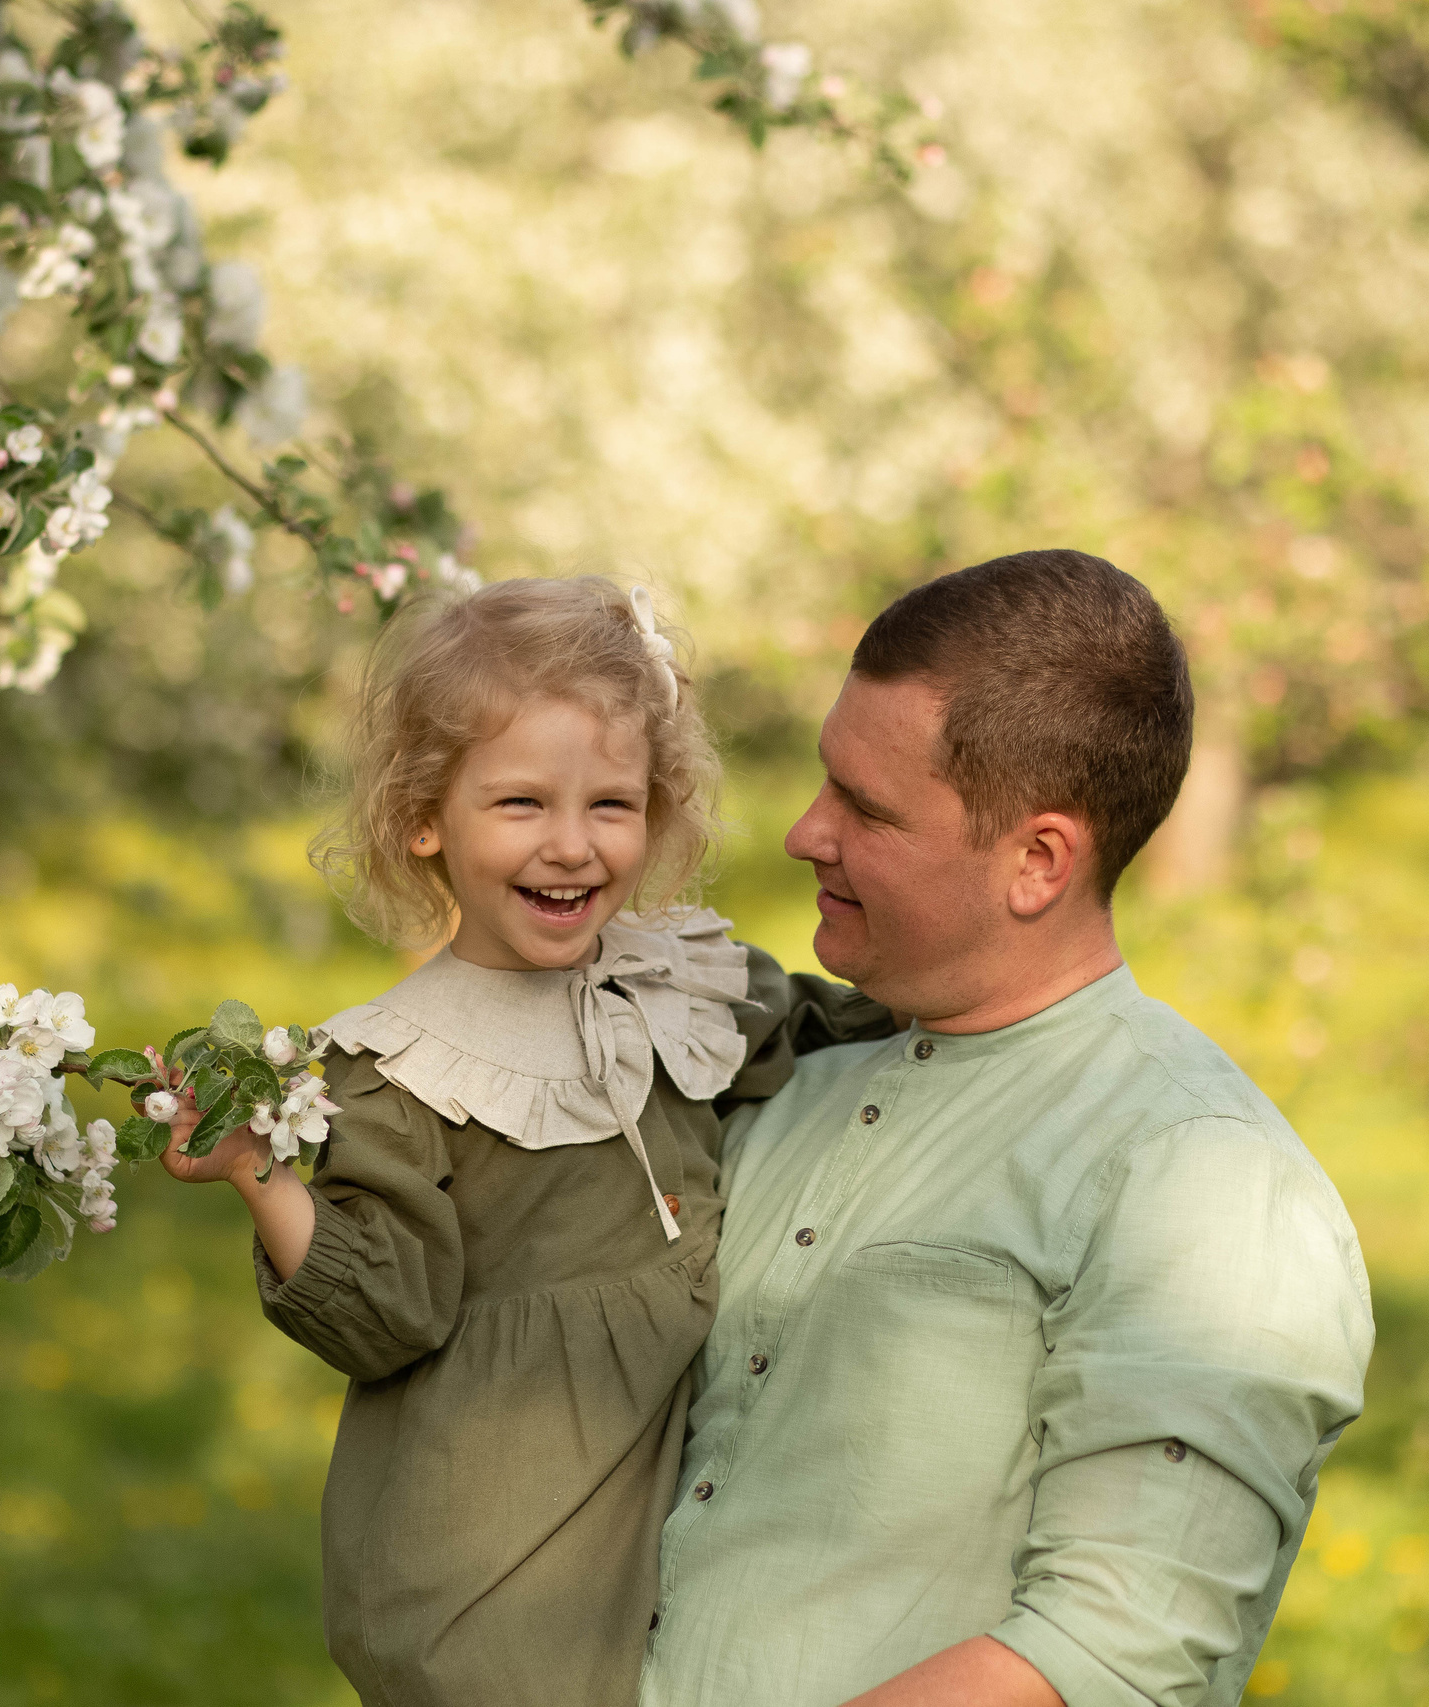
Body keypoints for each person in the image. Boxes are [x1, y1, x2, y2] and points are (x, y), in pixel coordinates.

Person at [640, 550, 1375, 1707]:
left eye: (866, 809)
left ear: (1037, 861)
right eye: (826, 781)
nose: (804, 832)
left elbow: (1115, 1652)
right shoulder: (790, 1087)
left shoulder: (1203, 1184)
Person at [159, 578, 886, 1707]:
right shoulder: (405, 1068)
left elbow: (818, 1027)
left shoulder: (675, 982)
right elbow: (385, 1310)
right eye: (520, 803)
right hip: (488, 1545)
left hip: (641, 1495)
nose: (572, 845)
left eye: (612, 803)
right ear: (423, 817)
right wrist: (259, 1171)